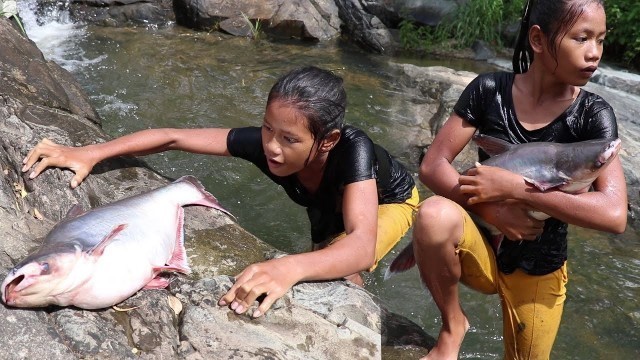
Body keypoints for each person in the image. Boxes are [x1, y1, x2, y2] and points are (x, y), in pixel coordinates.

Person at [21, 65, 419, 318]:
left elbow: (362, 244)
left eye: (288, 138)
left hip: (389, 202)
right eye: (267, 129)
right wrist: (90, 152)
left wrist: (288, 267)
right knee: (325, 257)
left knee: (344, 262)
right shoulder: (270, 145)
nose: (272, 147)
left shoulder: (353, 150)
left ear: (328, 140)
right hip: (324, 204)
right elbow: (173, 137)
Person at [412, 0, 627, 359]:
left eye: (601, 40)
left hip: (539, 267)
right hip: (480, 247)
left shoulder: (592, 114)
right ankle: (453, 327)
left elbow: (614, 214)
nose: (594, 54)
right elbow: (433, 165)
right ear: (539, 40)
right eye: (582, 38)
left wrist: (520, 192)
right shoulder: (489, 90)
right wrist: (495, 213)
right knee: (433, 214)